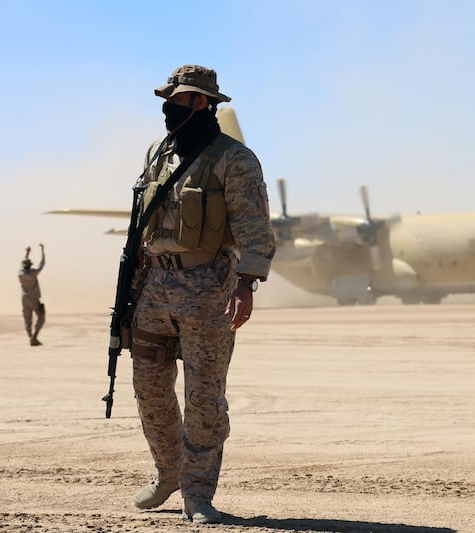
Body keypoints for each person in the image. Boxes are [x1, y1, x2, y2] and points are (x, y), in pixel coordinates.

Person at [129, 64, 275, 524]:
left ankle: (197, 491)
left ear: (203, 103)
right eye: (169, 98)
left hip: (209, 289)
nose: (170, 107)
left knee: (205, 396)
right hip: (154, 288)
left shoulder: (235, 159)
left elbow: (254, 226)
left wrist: (246, 283)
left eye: (181, 99)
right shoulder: (159, 152)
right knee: (149, 390)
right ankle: (167, 472)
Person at [18, 244, 46, 346]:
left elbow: (22, 265)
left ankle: (31, 338)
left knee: (27, 319)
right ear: (30, 266)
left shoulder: (20, 273)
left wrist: (27, 253)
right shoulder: (33, 273)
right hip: (33, 299)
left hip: (24, 299)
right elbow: (42, 264)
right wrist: (42, 251)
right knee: (41, 317)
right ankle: (34, 337)